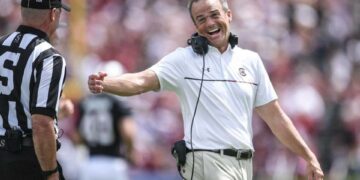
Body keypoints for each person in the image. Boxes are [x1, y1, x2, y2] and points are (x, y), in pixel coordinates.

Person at [88, 0, 324, 179]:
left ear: (228, 15)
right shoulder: (183, 59)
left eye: (214, 15)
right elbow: (141, 81)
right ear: (195, 26)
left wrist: (308, 155)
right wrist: (106, 83)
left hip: (243, 166)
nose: (209, 23)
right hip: (207, 163)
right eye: (201, 19)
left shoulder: (251, 61)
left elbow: (277, 119)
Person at [0, 0, 70, 179]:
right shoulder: (49, 58)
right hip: (27, 159)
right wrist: (51, 172)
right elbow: (41, 123)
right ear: (53, 14)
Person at [76, 61, 135, 180]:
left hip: (89, 164)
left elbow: (78, 136)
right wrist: (130, 152)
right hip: (114, 164)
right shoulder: (119, 103)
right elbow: (128, 133)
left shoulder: (85, 103)